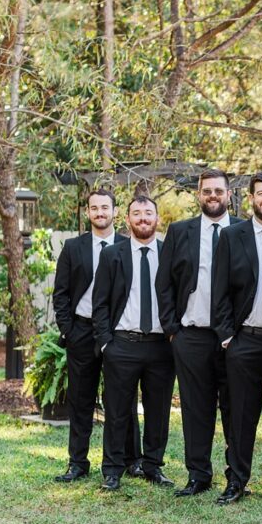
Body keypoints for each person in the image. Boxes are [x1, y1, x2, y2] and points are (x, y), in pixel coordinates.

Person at [156, 169, 243, 498]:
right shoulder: (180, 232)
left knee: (235, 408)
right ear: (198, 194)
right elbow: (163, 283)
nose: (213, 196)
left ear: (229, 195)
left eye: (219, 191)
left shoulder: (243, 230)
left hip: (234, 337)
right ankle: (198, 474)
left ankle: (236, 476)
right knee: (195, 407)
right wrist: (171, 329)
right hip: (191, 335)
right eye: (207, 191)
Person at [51, 188, 140, 483]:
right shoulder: (73, 248)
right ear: (87, 212)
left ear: (115, 212)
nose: (100, 213)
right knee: (80, 400)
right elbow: (61, 294)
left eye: (105, 208)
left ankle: (132, 460)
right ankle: (78, 462)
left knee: (123, 401)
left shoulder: (128, 246)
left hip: (117, 334)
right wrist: (69, 330)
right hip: (82, 333)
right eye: (94, 208)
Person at [211, 171, 262, 505]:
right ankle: (236, 481)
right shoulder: (232, 236)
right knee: (241, 416)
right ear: (251, 198)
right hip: (245, 340)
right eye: (261, 194)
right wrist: (228, 337)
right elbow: (220, 290)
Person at [92, 196, 176, 492]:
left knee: (158, 410)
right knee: (116, 411)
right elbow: (99, 303)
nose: (143, 218)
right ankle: (113, 470)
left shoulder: (169, 253)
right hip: (122, 345)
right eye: (137, 214)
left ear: (157, 218)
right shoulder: (113, 255)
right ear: (127, 220)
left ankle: (153, 466)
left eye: (148, 213)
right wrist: (106, 343)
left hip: (160, 346)